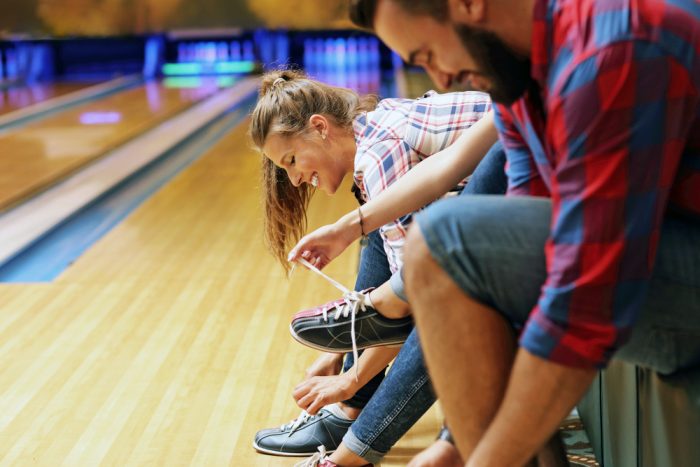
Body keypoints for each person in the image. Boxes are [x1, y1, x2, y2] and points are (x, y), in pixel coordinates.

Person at [295, 0, 699, 465]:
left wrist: (479, 455)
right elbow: (521, 251)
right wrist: (455, 441)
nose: (440, 79)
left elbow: (587, 298)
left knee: (445, 242)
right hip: (657, 253)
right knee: (438, 247)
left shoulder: (612, 50)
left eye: (427, 54)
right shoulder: (522, 75)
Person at [248, 68, 493, 464]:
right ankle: (351, 411)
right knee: (376, 230)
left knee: (433, 303)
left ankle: (352, 439)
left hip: (538, 202)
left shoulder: (380, 153)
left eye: (291, 160)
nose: (292, 180)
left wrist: (351, 377)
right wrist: (343, 350)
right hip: (511, 199)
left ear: (320, 127)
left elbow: (414, 300)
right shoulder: (374, 133)